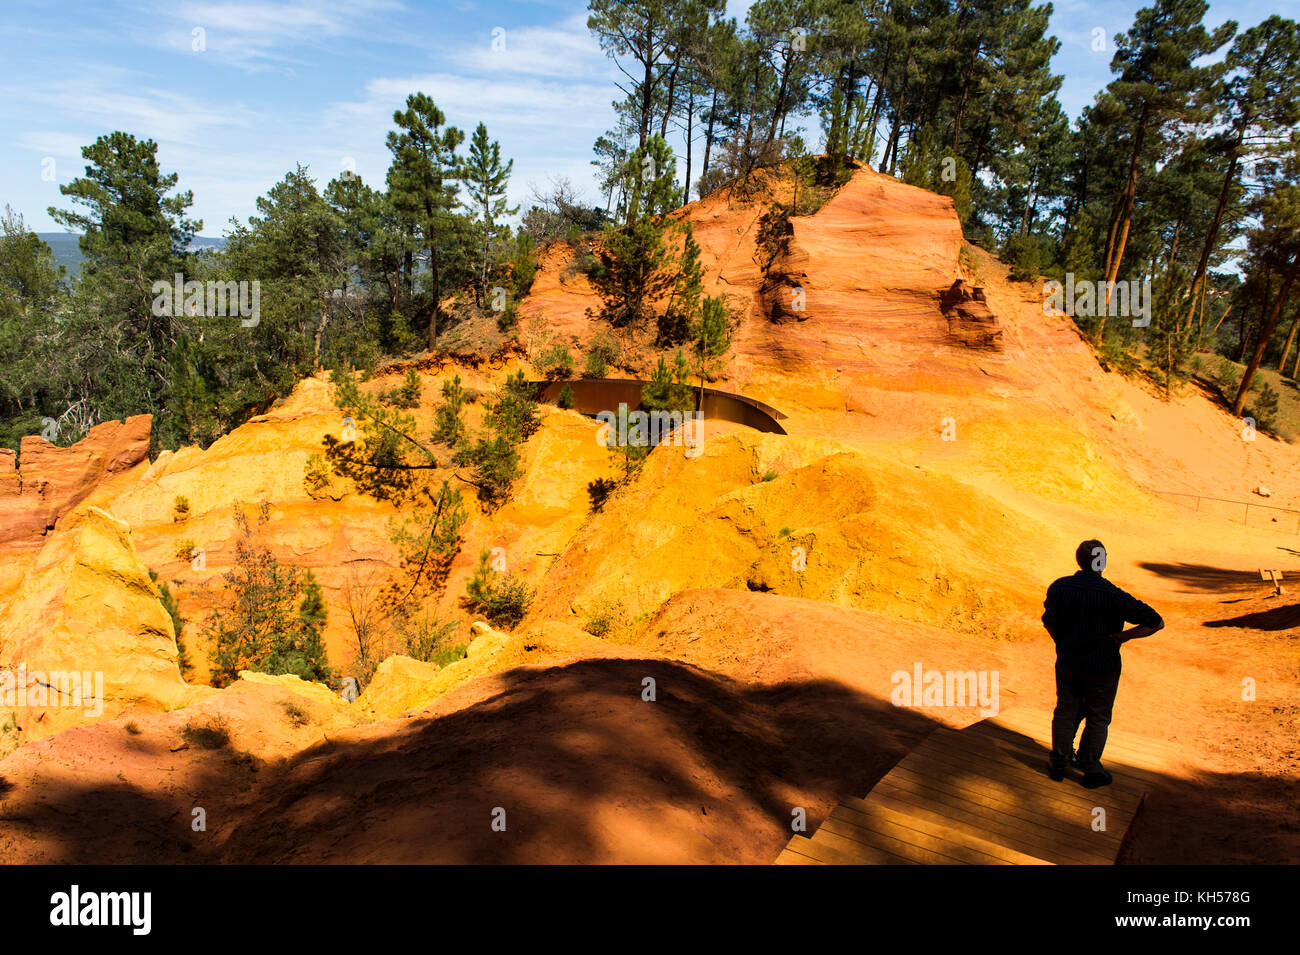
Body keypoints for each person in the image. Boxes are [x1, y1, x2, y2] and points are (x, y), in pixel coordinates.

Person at [1040, 540, 1164, 788]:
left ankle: (1059, 763)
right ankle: (1090, 768)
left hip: (1069, 660)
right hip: (1103, 664)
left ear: (1079, 560)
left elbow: (1049, 620)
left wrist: (1061, 641)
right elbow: (1156, 622)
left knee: (1065, 710)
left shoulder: (1060, 587)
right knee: (1097, 717)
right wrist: (1125, 636)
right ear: (1102, 562)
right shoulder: (1112, 594)